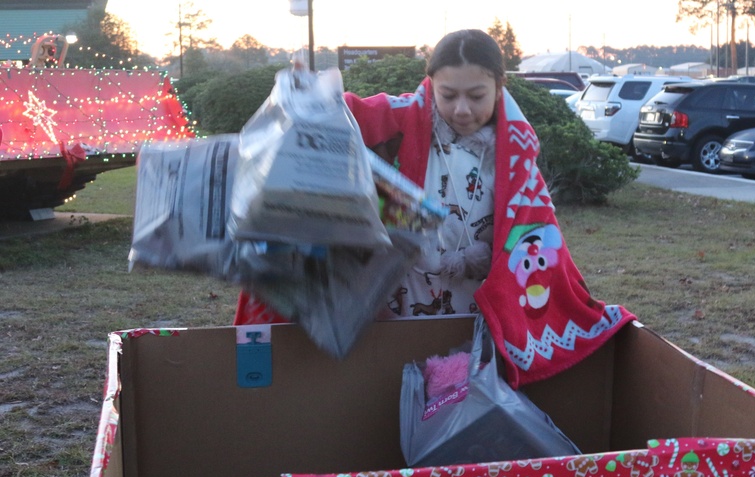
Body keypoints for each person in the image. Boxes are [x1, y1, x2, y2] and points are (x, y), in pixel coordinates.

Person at [235, 29, 633, 388]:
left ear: (500, 86)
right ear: (430, 84)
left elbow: (534, 239)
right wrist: (307, 94)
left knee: (469, 394)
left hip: (476, 302)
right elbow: (342, 113)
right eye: (448, 95)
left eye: (476, 96)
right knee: (396, 387)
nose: (462, 109)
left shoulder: (516, 153)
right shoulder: (398, 119)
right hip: (404, 297)